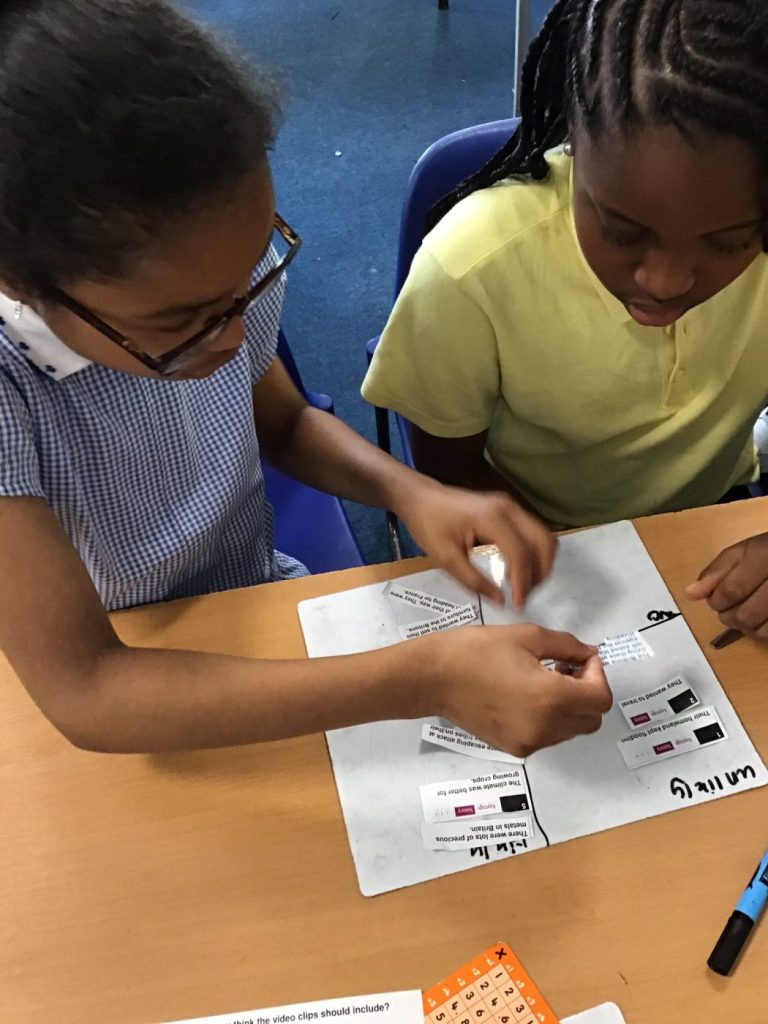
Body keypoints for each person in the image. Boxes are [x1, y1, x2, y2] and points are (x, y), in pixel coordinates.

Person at [0, 0, 611, 757]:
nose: (233, 338)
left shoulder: (208, 269)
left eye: (247, 283)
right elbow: (87, 689)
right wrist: (426, 680)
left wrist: (412, 492)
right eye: (182, 324)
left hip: (254, 603)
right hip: (127, 676)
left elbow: (283, 422)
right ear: (21, 283)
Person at [362, 0, 768, 638]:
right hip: (543, 547)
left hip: (714, 525)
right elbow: (450, 468)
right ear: (572, 138)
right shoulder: (470, 268)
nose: (664, 283)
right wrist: (565, 558)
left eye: (728, 243)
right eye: (623, 231)